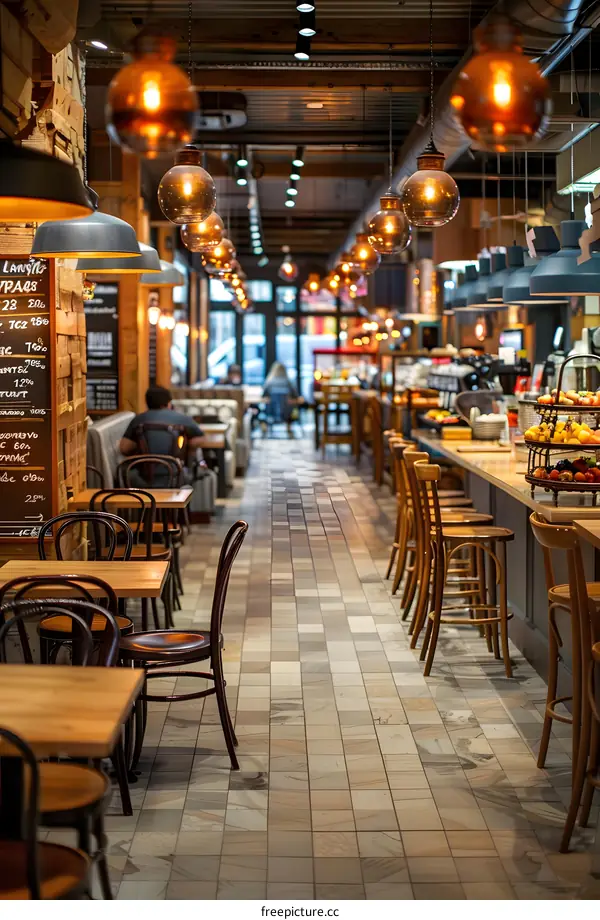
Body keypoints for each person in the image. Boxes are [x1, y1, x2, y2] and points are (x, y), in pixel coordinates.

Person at [119, 385, 205, 484]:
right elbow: (200, 439)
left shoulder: (138, 419)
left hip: (144, 479)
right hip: (176, 476)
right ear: (169, 403)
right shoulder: (182, 418)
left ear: (147, 403)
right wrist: (188, 447)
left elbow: (124, 448)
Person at [262, 362, 299, 434]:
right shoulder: (288, 382)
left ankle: (264, 428)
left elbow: (263, 395)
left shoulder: (269, 381)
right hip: (287, 413)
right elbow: (295, 395)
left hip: (271, 411)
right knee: (293, 408)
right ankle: (289, 429)